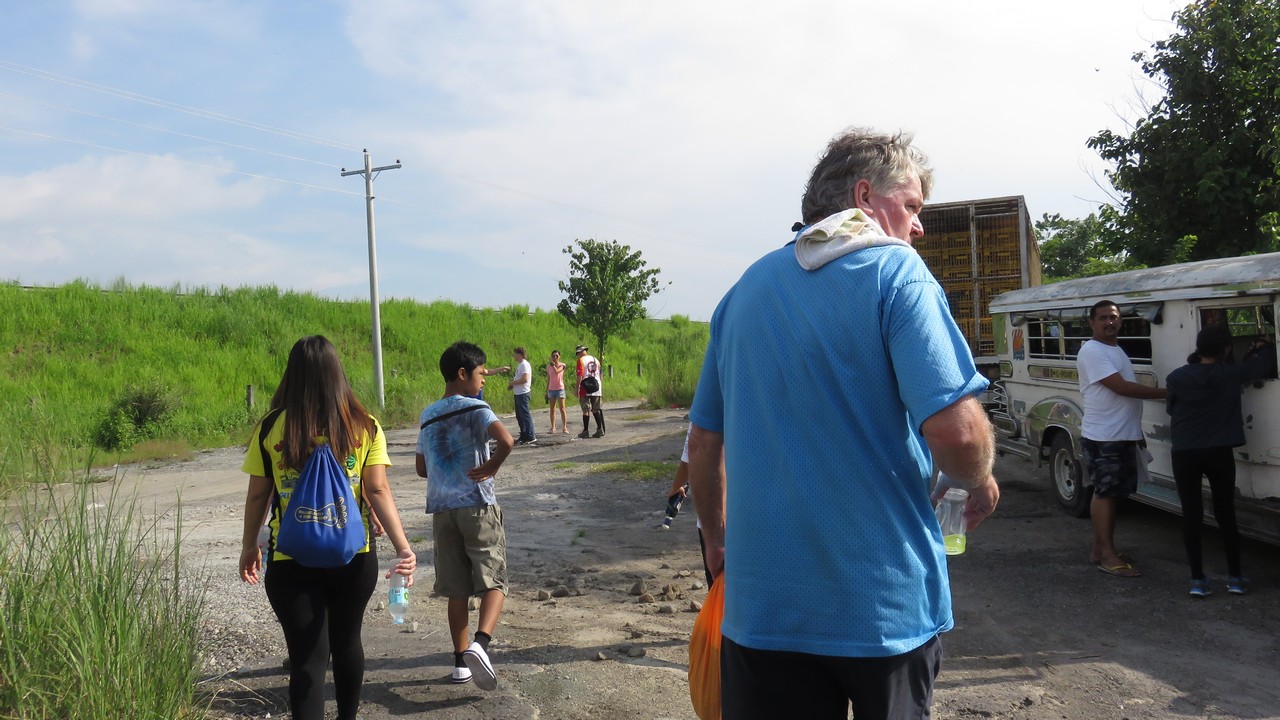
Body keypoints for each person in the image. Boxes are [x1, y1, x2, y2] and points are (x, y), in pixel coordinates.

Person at [688, 128, 999, 720]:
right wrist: (977, 480)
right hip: (880, 609)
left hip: (763, 608)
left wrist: (716, 539)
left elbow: (704, 442)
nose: (919, 227)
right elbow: (957, 434)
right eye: (912, 206)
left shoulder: (743, 292)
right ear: (864, 197)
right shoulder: (896, 273)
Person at [239, 335, 417, 720]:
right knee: (348, 642)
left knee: (307, 658)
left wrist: (249, 546)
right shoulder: (364, 425)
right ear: (337, 374)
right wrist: (403, 547)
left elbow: (258, 496)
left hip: (290, 557)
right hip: (354, 554)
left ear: (293, 374)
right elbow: (377, 490)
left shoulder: (271, 427)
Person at [416, 341, 514, 690]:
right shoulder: (476, 408)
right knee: (495, 581)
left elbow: (421, 468)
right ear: (462, 374)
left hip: (442, 511)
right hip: (477, 505)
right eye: (481, 373)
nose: (484, 379)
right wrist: (491, 466)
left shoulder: (428, 414)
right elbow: (507, 440)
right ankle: (481, 644)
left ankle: (460, 663)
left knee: (456, 589)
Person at [1165, 325, 1276, 597]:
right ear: (1226, 349)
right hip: (1218, 451)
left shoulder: (1176, 377)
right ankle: (1235, 578)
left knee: (1191, 514)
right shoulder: (1230, 374)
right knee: (1225, 514)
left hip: (1185, 452)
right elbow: (1262, 365)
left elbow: (1171, 408)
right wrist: (1266, 345)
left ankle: (1197, 580)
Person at [1077, 300, 1168, 577]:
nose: (1110, 322)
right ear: (1092, 323)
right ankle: (1107, 555)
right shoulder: (1092, 350)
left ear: (1120, 320)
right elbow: (1120, 388)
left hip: (1120, 434)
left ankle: (1100, 550)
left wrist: (1136, 433)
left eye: (1114, 317)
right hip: (1104, 436)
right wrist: (1168, 393)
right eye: (1103, 318)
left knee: (1110, 492)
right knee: (1105, 493)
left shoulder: (1115, 349)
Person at [660, 425, 714, 586]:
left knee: (718, 582)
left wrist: (676, 486)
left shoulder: (706, 413)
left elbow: (690, 458)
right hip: (760, 512)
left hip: (715, 517)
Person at [574, 344, 605, 438]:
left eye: (578, 353)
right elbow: (601, 374)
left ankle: (586, 431)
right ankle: (599, 429)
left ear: (580, 352)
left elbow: (579, 375)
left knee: (585, 409)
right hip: (596, 387)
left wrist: (577, 388)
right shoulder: (596, 360)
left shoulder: (581, 360)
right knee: (596, 409)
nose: (578, 355)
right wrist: (600, 385)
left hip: (585, 387)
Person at [508, 347, 536, 445]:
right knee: (519, 416)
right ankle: (524, 435)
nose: (514, 356)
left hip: (523, 393)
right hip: (518, 393)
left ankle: (531, 435)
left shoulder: (524, 364)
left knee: (525, 415)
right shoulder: (520, 365)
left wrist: (513, 382)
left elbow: (525, 379)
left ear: (519, 354)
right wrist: (513, 384)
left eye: (515, 354)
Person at [546, 350, 569, 434]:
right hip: (551, 389)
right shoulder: (548, 367)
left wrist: (553, 366)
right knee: (552, 409)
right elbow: (548, 378)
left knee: (562, 409)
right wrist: (546, 390)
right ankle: (553, 427)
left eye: (556, 356)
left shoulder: (562, 365)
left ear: (559, 356)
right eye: (553, 356)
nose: (555, 357)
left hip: (560, 389)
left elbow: (557, 371)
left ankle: (564, 427)